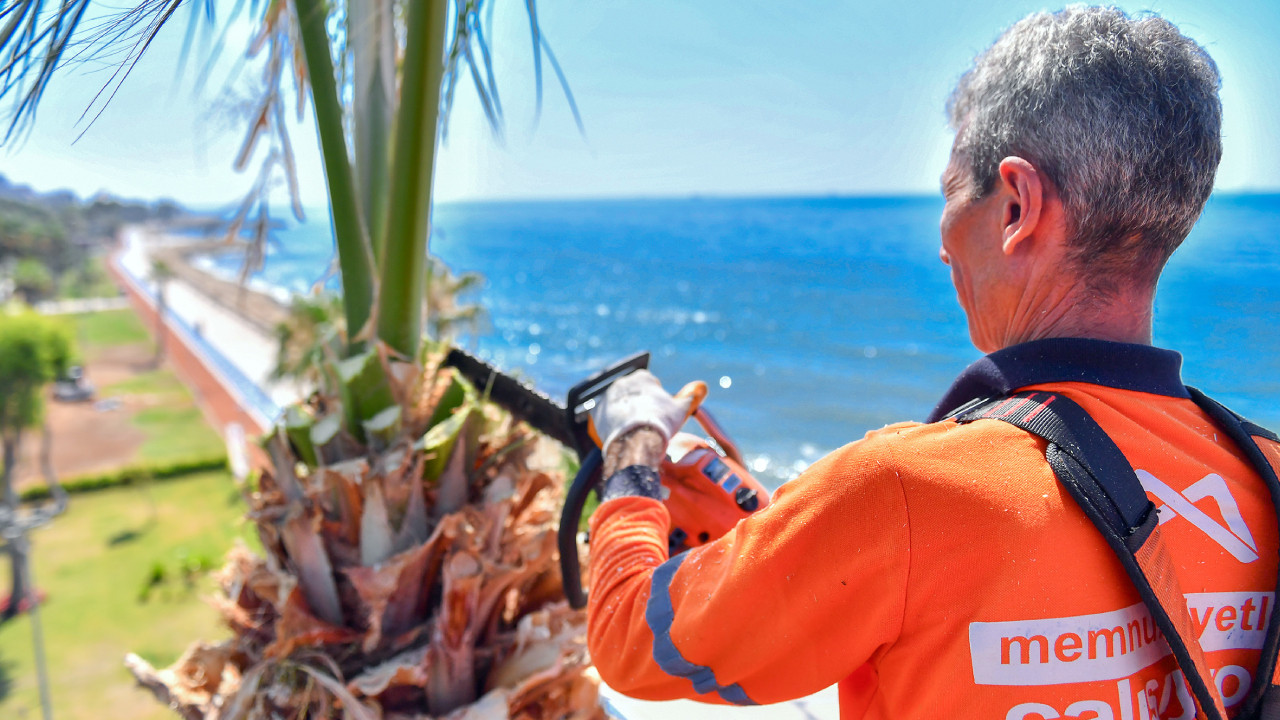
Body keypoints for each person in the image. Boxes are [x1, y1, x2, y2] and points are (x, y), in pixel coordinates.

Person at [582, 7, 1280, 719]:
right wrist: (780, 533)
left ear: (1017, 206)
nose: (944, 244)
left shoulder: (899, 493)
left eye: (951, 195)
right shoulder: (1269, 475)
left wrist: (633, 454)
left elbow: (629, 638)